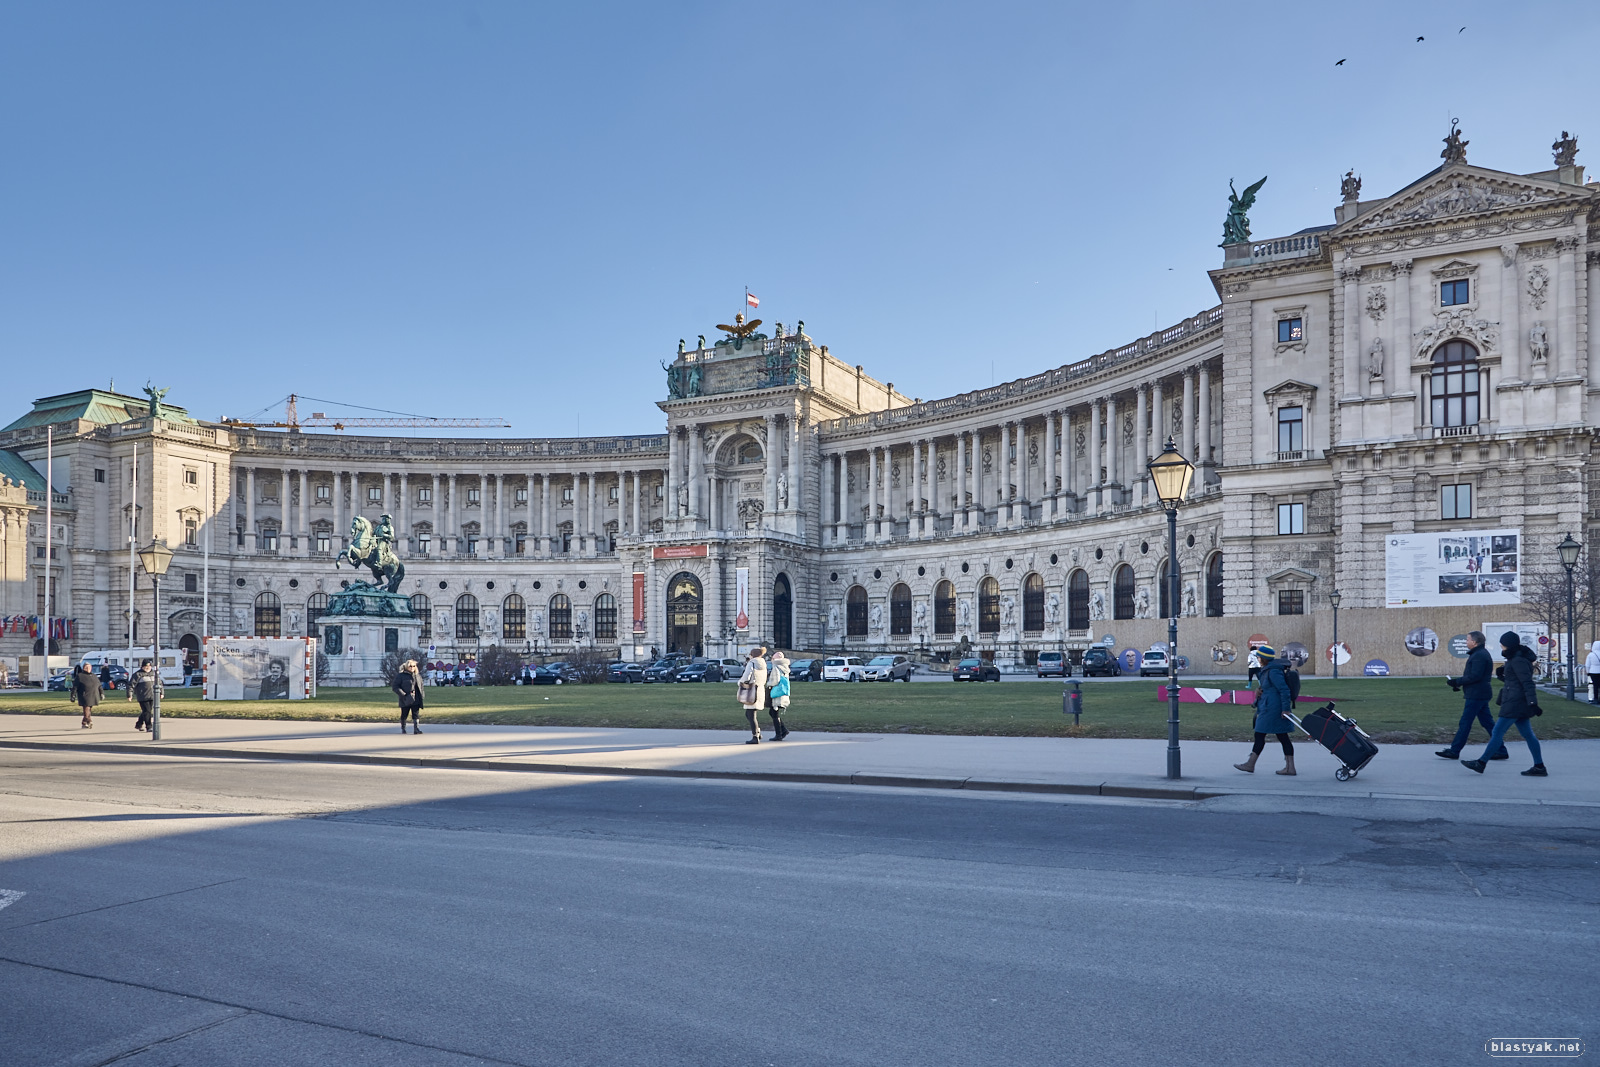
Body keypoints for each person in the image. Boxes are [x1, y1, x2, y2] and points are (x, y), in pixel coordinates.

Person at [1462, 632, 1547, 776]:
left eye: (1502, 643)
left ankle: (1481, 763)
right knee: (1528, 734)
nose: (1500, 645)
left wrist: (1533, 703)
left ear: (1507, 644)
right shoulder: (1515, 658)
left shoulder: (1518, 660)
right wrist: (1503, 675)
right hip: (1517, 701)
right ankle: (1539, 766)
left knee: (1497, 732)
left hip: (1515, 702)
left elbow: (1527, 682)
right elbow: (1516, 681)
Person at [1437, 631, 1507, 761]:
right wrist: (1458, 684)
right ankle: (1501, 750)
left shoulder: (1479, 656)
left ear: (1474, 642)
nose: (1466, 642)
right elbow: (1474, 676)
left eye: (1467, 640)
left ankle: (1454, 750)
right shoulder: (1479, 654)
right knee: (1487, 723)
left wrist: (1457, 682)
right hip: (1479, 693)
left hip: (1477, 694)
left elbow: (1475, 676)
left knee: (1466, 722)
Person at [1234, 645, 1295, 775]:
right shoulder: (1268, 670)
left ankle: (1250, 764)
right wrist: (1260, 692)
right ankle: (1290, 767)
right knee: (1281, 736)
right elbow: (1269, 688)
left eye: (1259, 657)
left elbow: (1284, 690)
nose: (1258, 659)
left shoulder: (1273, 671)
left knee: (1261, 734)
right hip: (1270, 707)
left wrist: (1285, 709)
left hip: (1273, 709)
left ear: (1264, 658)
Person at [737, 647, 768, 744]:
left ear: (752, 655)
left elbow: (747, 676)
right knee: (750, 713)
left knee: (751, 714)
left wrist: (740, 682)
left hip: (751, 690)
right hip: (760, 689)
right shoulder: (763, 664)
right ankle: (757, 732)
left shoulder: (752, 663)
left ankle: (755, 736)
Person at [392, 659, 425, 734]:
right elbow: (395, 686)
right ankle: (403, 728)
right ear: (406, 667)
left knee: (416, 714)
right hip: (406, 698)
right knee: (404, 714)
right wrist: (403, 694)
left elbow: (421, 686)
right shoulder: (401, 676)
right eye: (410, 666)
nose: (412, 668)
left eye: (413, 666)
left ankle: (416, 729)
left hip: (416, 698)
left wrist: (422, 694)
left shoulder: (417, 675)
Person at [129, 659, 161, 732]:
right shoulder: (137, 674)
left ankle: (139, 724)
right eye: (146, 666)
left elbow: (159, 683)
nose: (148, 667)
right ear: (142, 666)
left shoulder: (154, 674)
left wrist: (161, 693)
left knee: (146, 711)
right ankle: (149, 726)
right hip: (142, 696)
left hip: (152, 695)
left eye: (149, 666)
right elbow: (131, 685)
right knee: (147, 711)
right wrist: (130, 695)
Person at [766, 651, 791, 741]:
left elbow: (775, 680)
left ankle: (779, 734)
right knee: (773, 712)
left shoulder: (776, 667)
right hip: (782, 692)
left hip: (776, 693)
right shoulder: (785, 667)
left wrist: (768, 684)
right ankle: (783, 730)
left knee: (774, 713)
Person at [71, 663, 101, 729]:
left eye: (89, 667)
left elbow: (99, 685)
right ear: (84, 668)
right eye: (86, 667)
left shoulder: (93, 676)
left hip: (93, 695)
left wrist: (101, 693)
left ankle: (84, 722)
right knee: (86, 708)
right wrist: (73, 695)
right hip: (84, 695)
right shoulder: (80, 676)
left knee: (89, 708)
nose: (88, 669)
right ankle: (89, 721)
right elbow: (75, 687)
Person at [1585, 640, 1600, 705]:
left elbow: (1587, 665)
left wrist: (1587, 672)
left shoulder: (1591, 655)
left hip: (1593, 672)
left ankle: (1595, 699)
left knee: (1595, 686)